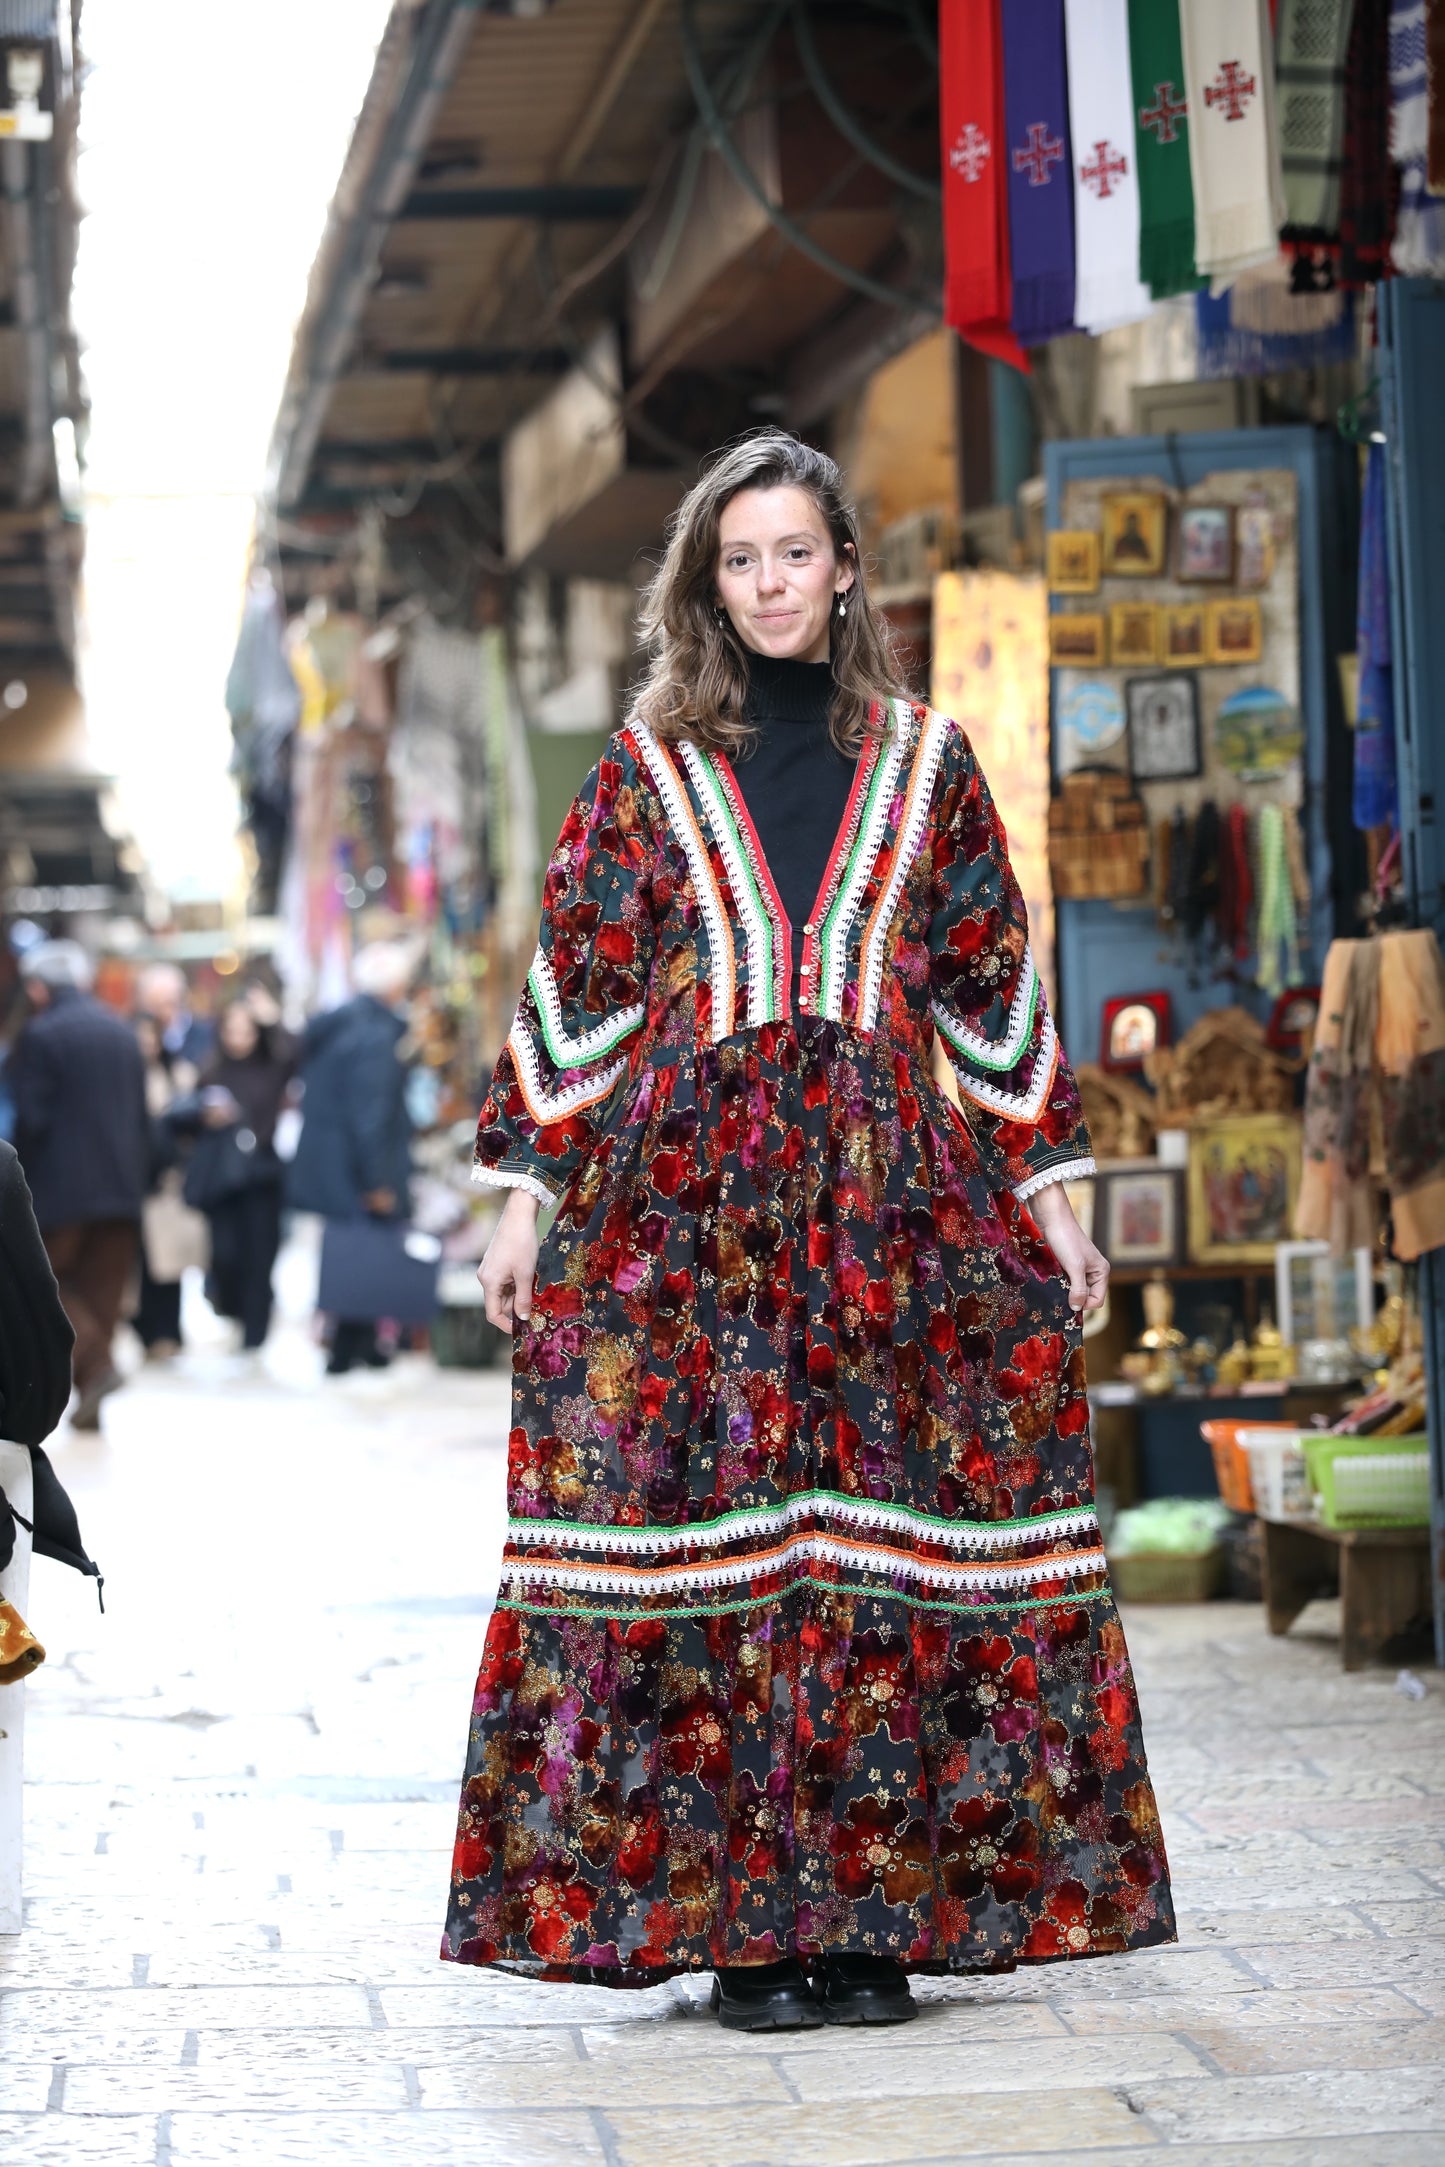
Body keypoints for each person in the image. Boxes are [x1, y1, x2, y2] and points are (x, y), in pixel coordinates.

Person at [442, 432, 1175, 2028]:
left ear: (848, 565)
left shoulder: (930, 763)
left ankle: (864, 1920)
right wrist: (521, 1207)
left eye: (796, 552)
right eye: (741, 559)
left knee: (873, 1545)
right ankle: (749, 1935)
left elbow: (989, 995)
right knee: (733, 1550)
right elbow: (580, 999)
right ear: (708, 583)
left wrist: (1053, 1200)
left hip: (892, 1216)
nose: (772, 584)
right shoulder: (643, 771)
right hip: (692, 1225)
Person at [10, 942, 148, 1430]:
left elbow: (33, 1119)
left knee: (50, 1286)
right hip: (122, 1187)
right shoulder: (122, 1030)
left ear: (38, 988)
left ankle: (98, 1368)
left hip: (60, 1192)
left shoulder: (41, 1034)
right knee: (102, 1293)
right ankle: (93, 1392)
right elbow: (141, 1115)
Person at [287, 941, 414, 1373]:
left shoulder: (339, 1025)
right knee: (366, 1246)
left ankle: (355, 1342)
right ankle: (350, 1348)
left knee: (353, 1248)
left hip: (334, 1163)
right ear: (395, 985)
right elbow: (369, 1115)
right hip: (355, 1166)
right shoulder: (375, 1035)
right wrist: (376, 1180)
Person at [177, 998, 295, 1357]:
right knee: (226, 1256)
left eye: (246, 1030)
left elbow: (296, 1051)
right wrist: (205, 1116)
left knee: (261, 1256)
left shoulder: (271, 1067)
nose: (239, 1038)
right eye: (232, 1030)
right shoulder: (211, 1068)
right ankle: (232, 1308)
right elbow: (187, 1118)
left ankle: (255, 1333)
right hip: (223, 1180)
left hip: (262, 1174)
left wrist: (272, 1019)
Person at [133, 1011, 205, 1359]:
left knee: (169, 1265)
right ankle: (147, 1332)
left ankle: (168, 1333)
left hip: (170, 1184)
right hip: (134, 1183)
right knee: (141, 1265)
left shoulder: (180, 1074)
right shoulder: (122, 1077)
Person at [136, 963, 214, 1068]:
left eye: (169, 1004)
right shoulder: (137, 1038)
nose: (163, 1012)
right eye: (155, 1006)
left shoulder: (203, 1035)